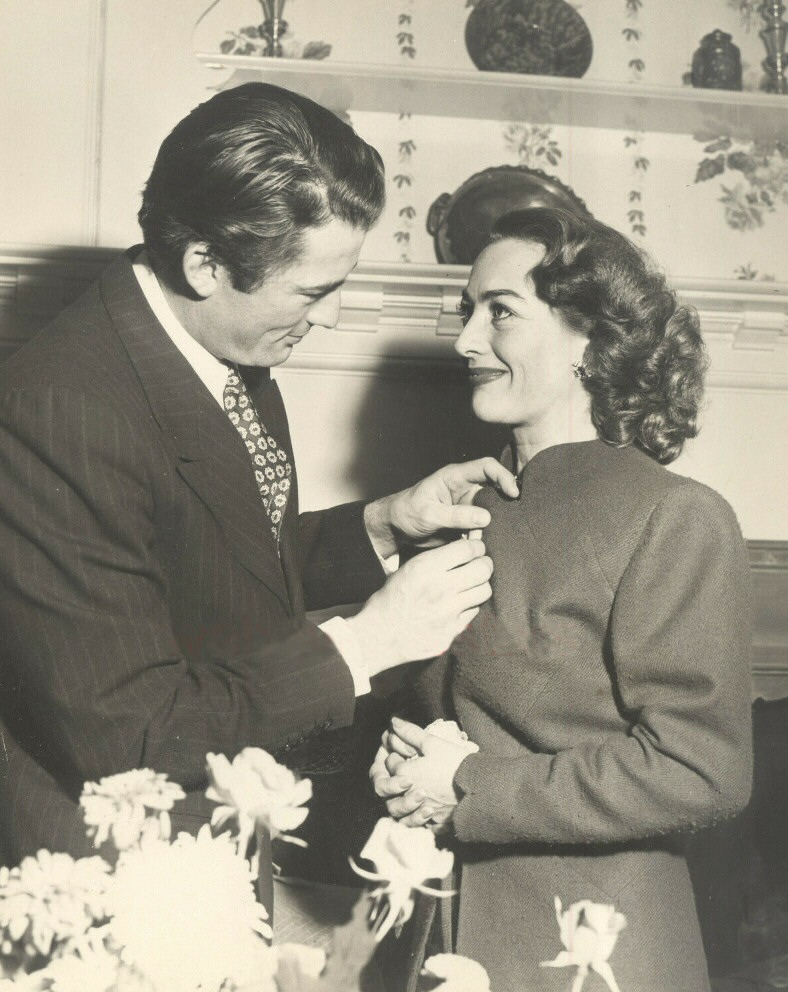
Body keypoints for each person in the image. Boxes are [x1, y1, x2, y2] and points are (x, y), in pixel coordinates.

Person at [0, 83, 518, 887]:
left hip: (218, 843)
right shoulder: (57, 414)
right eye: (315, 291)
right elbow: (132, 737)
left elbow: (196, 560)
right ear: (205, 265)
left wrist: (378, 531)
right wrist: (367, 642)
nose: (335, 317)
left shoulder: (217, 338)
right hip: (107, 875)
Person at [372, 207, 753, 992]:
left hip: (591, 953)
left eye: (500, 313)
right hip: (437, 936)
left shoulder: (674, 515)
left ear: (590, 338)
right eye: (467, 311)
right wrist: (396, 759)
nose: (466, 341)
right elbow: (454, 718)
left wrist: (467, 788)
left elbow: (702, 768)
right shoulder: (462, 505)